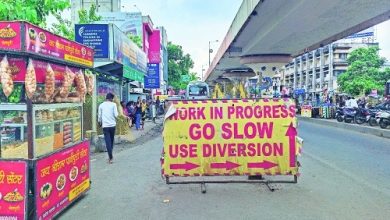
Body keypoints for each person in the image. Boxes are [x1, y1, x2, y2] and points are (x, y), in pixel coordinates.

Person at [98, 93, 118, 164]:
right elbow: (116, 115)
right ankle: (110, 156)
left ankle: (110, 157)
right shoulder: (113, 105)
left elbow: (99, 116)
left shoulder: (101, 105)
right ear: (111, 99)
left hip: (105, 126)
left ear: (106, 98)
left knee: (107, 141)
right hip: (112, 125)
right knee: (111, 141)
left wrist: (99, 122)